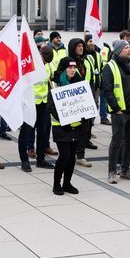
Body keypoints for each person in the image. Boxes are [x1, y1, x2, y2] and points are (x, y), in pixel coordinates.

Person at [102, 40, 130, 184]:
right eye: (126, 48)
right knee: (117, 142)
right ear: (119, 50)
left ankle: (125, 170)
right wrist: (116, 109)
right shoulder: (110, 66)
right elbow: (106, 90)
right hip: (120, 112)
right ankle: (112, 171)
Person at [50, 59, 85, 195]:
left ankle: (67, 183)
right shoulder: (55, 84)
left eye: (74, 67)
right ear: (64, 69)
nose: (72, 70)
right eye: (69, 67)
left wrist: (85, 115)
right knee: (64, 155)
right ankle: (56, 183)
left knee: (72, 157)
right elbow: (51, 107)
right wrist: (64, 119)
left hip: (76, 126)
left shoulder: (80, 83)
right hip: (61, 126)